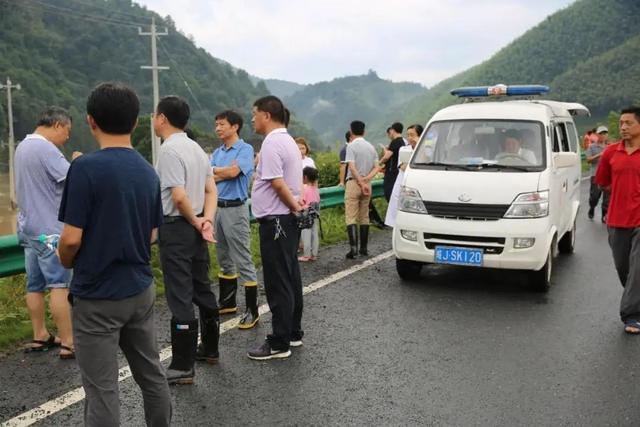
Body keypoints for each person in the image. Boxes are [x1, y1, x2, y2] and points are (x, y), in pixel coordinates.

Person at [57, 82, 171, 426]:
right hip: (139, 289)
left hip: (97, 295)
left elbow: (71, 240)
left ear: (91, 121)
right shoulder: (147, 171)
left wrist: (66, 261)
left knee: (102, 388)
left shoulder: (85, 168)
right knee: (151, 374)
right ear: (136, 123)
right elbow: (152, 233)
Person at [154, 95, 219, 384]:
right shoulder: (196, 148)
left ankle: (182, 365)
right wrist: (206, 221)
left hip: (178, 227)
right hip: (196, 227)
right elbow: (210, 190)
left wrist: (195, 220)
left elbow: (178, 197)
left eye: (154, 115)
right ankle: (210, 349)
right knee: (201, 287)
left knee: (179, 293)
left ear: (163, 118)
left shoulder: (169, 150)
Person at [14, 107, 80, 359]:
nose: (66, 138)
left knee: (34, 285)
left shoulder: (22, 147)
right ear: (57, 125)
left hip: (28, 227)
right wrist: (77, 161)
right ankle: (69, 341)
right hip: (50, 231)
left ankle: (40, 334)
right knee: (59, 285)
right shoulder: (46, 149)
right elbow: (72, 179)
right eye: (67, 132)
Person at [248, 95, 304, 360]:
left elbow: (278, 184)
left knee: (278, 281)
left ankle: (280, 342)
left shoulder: (271, 142)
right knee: (290, 276)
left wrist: (293, 205)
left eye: (254, 113)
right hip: (286, 221)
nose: (252, 118)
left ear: (266, 115)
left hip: (276, 222)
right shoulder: (289, 140)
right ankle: (293, 332)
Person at [211, 110, 260, 329]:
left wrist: (219, 172)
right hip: (217, 209)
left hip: (236, 208)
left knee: (243, 257)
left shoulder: (245, 149)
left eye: (222, 124)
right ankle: (228, 302)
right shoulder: (217, 151)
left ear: (235, 127)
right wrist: (224, 171)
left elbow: (233, 173)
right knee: (223, 256)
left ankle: (252, 310)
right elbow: (210, 176)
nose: (218, 128)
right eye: (217, 125)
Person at [595, 107, 640, 334]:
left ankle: (632, 315)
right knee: (624, 268)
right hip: (617, 220)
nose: (623, 127)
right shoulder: (611, 153)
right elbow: (602, 181)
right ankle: (636, 299)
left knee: (638, 268)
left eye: (628, 123)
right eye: (621, 123)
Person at [344, 120, 378, 259]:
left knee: (351, 216)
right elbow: (377, 167)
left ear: (351, 131)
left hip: (353, 183)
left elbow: (351, 167)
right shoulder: (371, 147)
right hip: (367, 184)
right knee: (364, 216)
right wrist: (366, 180)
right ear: (364, 131)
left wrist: (359, 181)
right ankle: (364, 248)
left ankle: (353, 250)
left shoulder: (351, 146)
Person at [385, 124, 423, 227]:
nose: (410, 138)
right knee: (398, 214)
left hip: (419, 184)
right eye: (408, 135)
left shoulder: (425, 149)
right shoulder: (404, 149)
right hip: (403, 183)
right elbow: (402, 166)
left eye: (412, 135)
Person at [586, 125, 610, 222]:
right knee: (595, 196)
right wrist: (599, 155)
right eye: (601, 133)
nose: (603, 135)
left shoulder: (610, 147)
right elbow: (588, 160)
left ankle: (604, 216)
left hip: (608, 176)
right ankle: (592, 208)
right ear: (597, 135)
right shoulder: (592, 146)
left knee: (607, 198)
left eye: (605, 133)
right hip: (595, 175)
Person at [299, 166, 321, 262]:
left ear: (305, 177)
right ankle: (314, 254)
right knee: (314, 234)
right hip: (315, 214)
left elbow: (301, 202)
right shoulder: (316, 189)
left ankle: (306, 255)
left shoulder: (304, 189)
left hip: (306, 215)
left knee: (306, 234)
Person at [379, 122, 405, 201]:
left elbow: (387, 156)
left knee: (390, 194)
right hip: (398, 171)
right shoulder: (402, 141)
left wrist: (379, 163)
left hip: (392, 173)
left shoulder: (395, 141)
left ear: (393, 130)